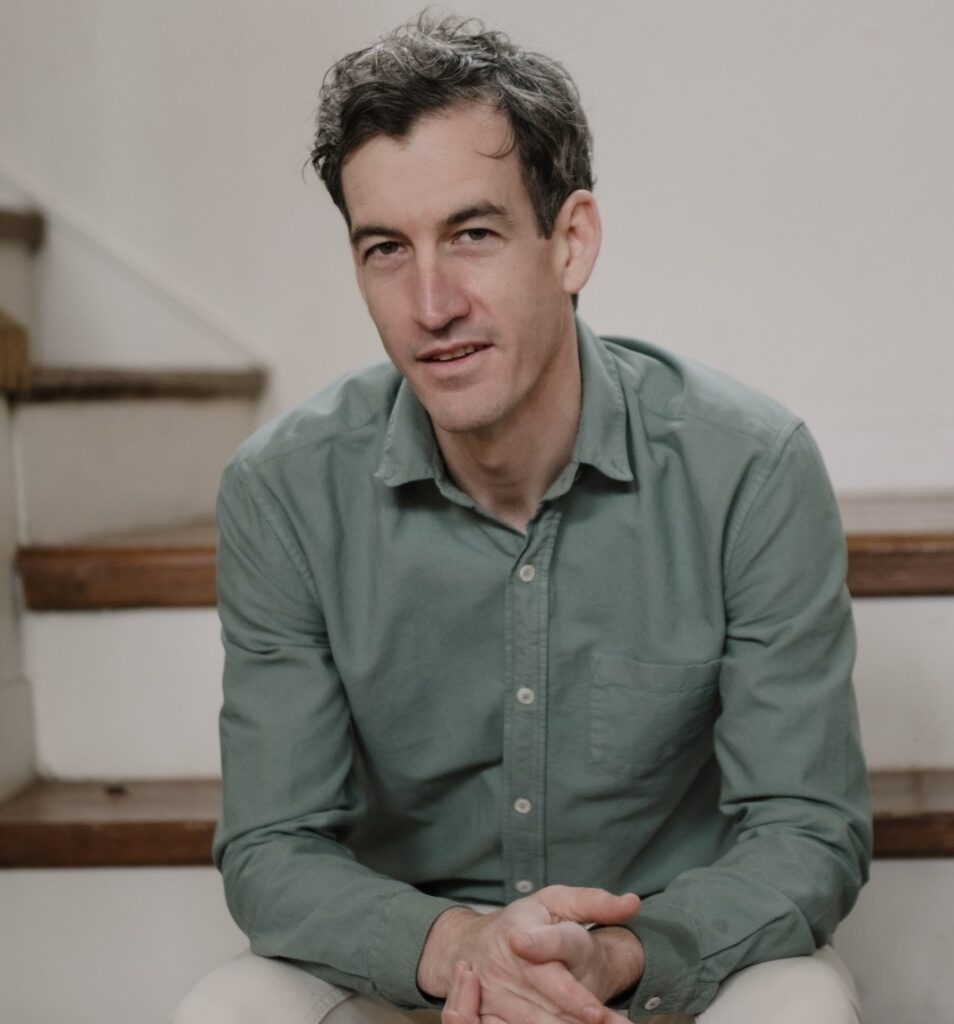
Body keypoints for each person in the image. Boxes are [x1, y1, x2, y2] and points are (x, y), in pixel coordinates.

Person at [174, 14, 871, 1024]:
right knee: (226, 1010)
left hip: (663, 967)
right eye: (385, 248)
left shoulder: (749, 469)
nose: (431, 303)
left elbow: (807, 828)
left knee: (800, 1003)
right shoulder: (283, 492)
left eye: (473, 234)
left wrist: (618, 955)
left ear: (570, 242)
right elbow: (272, 847)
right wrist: (466, 948)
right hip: (414, 969)